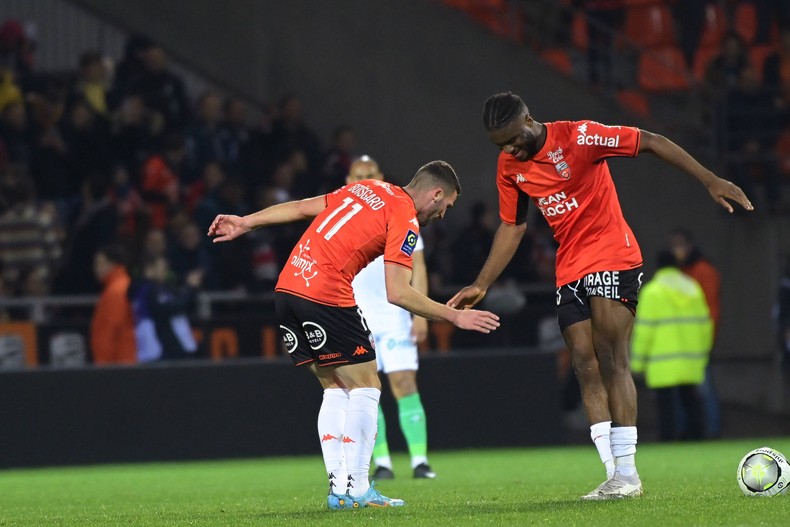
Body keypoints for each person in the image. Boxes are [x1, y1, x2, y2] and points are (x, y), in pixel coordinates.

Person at [448, 92, 753, 500]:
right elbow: (513, 226)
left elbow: (652, 141)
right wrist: (482, 282)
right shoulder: (510, 166)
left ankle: (629, 471)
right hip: (570, 264)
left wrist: (710, 180)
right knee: (583, 363)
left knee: (612, 357)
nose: (509, 148)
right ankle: (614, 475)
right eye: (500, 144)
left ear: (529, 118)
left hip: (613, 253)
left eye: (513, 138)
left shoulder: (581, 137)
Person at [208, 160, 500, 509]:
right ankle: (359, 488)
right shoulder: (405, 218)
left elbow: (302, 208)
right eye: (447, 206)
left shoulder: (366, 189)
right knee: (367, 386)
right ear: (436, 194)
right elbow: (398, 292)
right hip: (326, 293)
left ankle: (339, 491)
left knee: (334, 387)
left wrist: (247, 221)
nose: (442, 215)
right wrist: (452, 315)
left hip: (287, 289)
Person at [346, 156, 435, 480]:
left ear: (380, 177)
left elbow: (419, 267)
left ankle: (419, 461)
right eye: (359, 175)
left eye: (370, 174)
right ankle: (382, 462)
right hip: (357, 317)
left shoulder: (399, 211)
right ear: (348, 180)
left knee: (405, 383)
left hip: (396, 314)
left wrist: (420, 313)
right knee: (369, 389)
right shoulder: (341, 217)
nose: (364, 179)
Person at [630, 251, 714, 442]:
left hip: (662, 361)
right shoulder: (693, 288)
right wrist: (704, 352)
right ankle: (698, 438)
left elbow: (644, 330)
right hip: (690, 359)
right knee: (691, 400)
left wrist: (637, 363)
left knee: (665, 404)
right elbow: (705, 324)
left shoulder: (653, 292)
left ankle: (668, 439)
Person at [666, 227, 722, 437]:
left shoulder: (703, 271)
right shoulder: (681, 272)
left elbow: (712, 310)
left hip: (696, 343)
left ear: (690, 246)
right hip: (681, 343)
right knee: (685, 391)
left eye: (679, 245)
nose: (675, 250)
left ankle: (712, 430)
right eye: (672, 245)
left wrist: (707, 340)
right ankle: (690, 431)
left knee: (703, 389)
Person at [91, 244, 137, 365]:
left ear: (112, 264)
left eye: (99, 263)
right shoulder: (123, 285)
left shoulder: (115, 291)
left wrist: (103, 363)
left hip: (119, 360)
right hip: (125, 357)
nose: (96, 268)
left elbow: (109, 329)